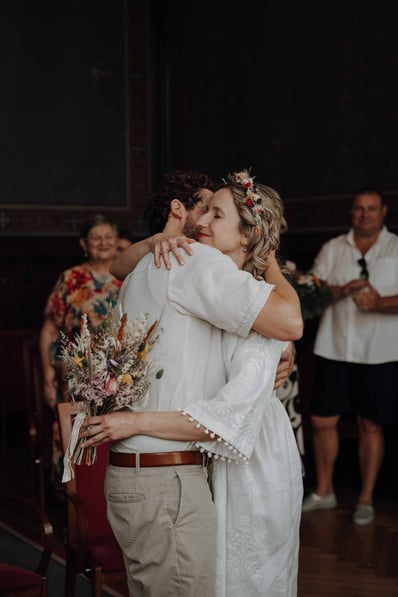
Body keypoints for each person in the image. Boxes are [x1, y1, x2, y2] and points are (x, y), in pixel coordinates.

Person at [80, 169, 303, 597]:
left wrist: (277, 352)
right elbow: (288, 321)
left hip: (198, 465)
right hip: (175, 474)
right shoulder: (192, 261)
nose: (203, 222)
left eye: (216, 213)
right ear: (178, 213)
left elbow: (282, 327)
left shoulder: (152, 262)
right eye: (204, 209)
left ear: (248, 232)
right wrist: (135, 422)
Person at [302, 187, 398, 526]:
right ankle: (324, 491)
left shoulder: (395, 247)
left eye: (372, 208)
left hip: (380, 352)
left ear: (383, 212)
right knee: (321, 421)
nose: (365, 214)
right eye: (359, 208)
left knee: (370, 424)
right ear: (352, 213)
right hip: (334, 347)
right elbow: (311, 291)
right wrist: (341, 290)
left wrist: (381, 303)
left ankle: (366, 497)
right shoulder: (333, 249)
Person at [39, 213, 123, 486]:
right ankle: (77, 497)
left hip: (122, 379)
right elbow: (50, 330)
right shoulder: (72, 279)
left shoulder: (128, 277)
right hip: (78, 378)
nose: (103, 242)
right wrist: (47, 378)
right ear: (84, 244)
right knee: (76, 437)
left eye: (108, 237)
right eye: (95, 238)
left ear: (117, 241)